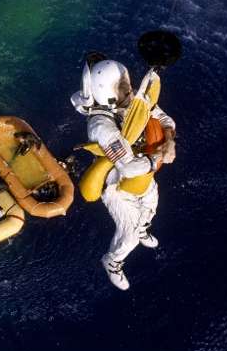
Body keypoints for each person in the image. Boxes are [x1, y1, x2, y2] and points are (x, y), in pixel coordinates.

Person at [70, 55, 176, 290]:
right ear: (107, 94)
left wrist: (169, 139)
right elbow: (125, 166)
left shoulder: (129, 102)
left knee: (151, 202)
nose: (131, 92)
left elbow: (161, 115)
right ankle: (113, 261)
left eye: (128, 84)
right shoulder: (101, 126)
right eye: (125, 88)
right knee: (128, 237)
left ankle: (143, 228)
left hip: (142, 165)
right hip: (115, 182)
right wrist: (160, 157)